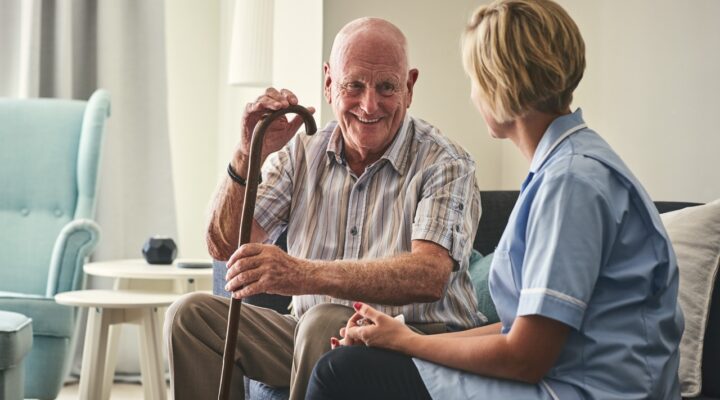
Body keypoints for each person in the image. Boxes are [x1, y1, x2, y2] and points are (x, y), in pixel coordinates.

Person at [306, 0, 685, 399]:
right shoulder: (567, 167)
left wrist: (407, 342)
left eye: (474, 79)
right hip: (564, 377)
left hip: (576, 391)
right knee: (361, 361)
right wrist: (396, 335)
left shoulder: (571, 184)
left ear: (499, 83)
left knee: (342, 372)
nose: (472, 94)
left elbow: (525, 357)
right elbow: (522, 330)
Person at [164, 17, 483, 400]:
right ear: (329, 83)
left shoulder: (445, 162)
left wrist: (302, 274)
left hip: (411, 344)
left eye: (386, 87)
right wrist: (247, 152)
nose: (370, 105)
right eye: (354, 85)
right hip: (307, 337)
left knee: (322, 320)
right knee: (189, 316)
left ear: (409, 87)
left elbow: (428, 276)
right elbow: (224, 246)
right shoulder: (301, 154)